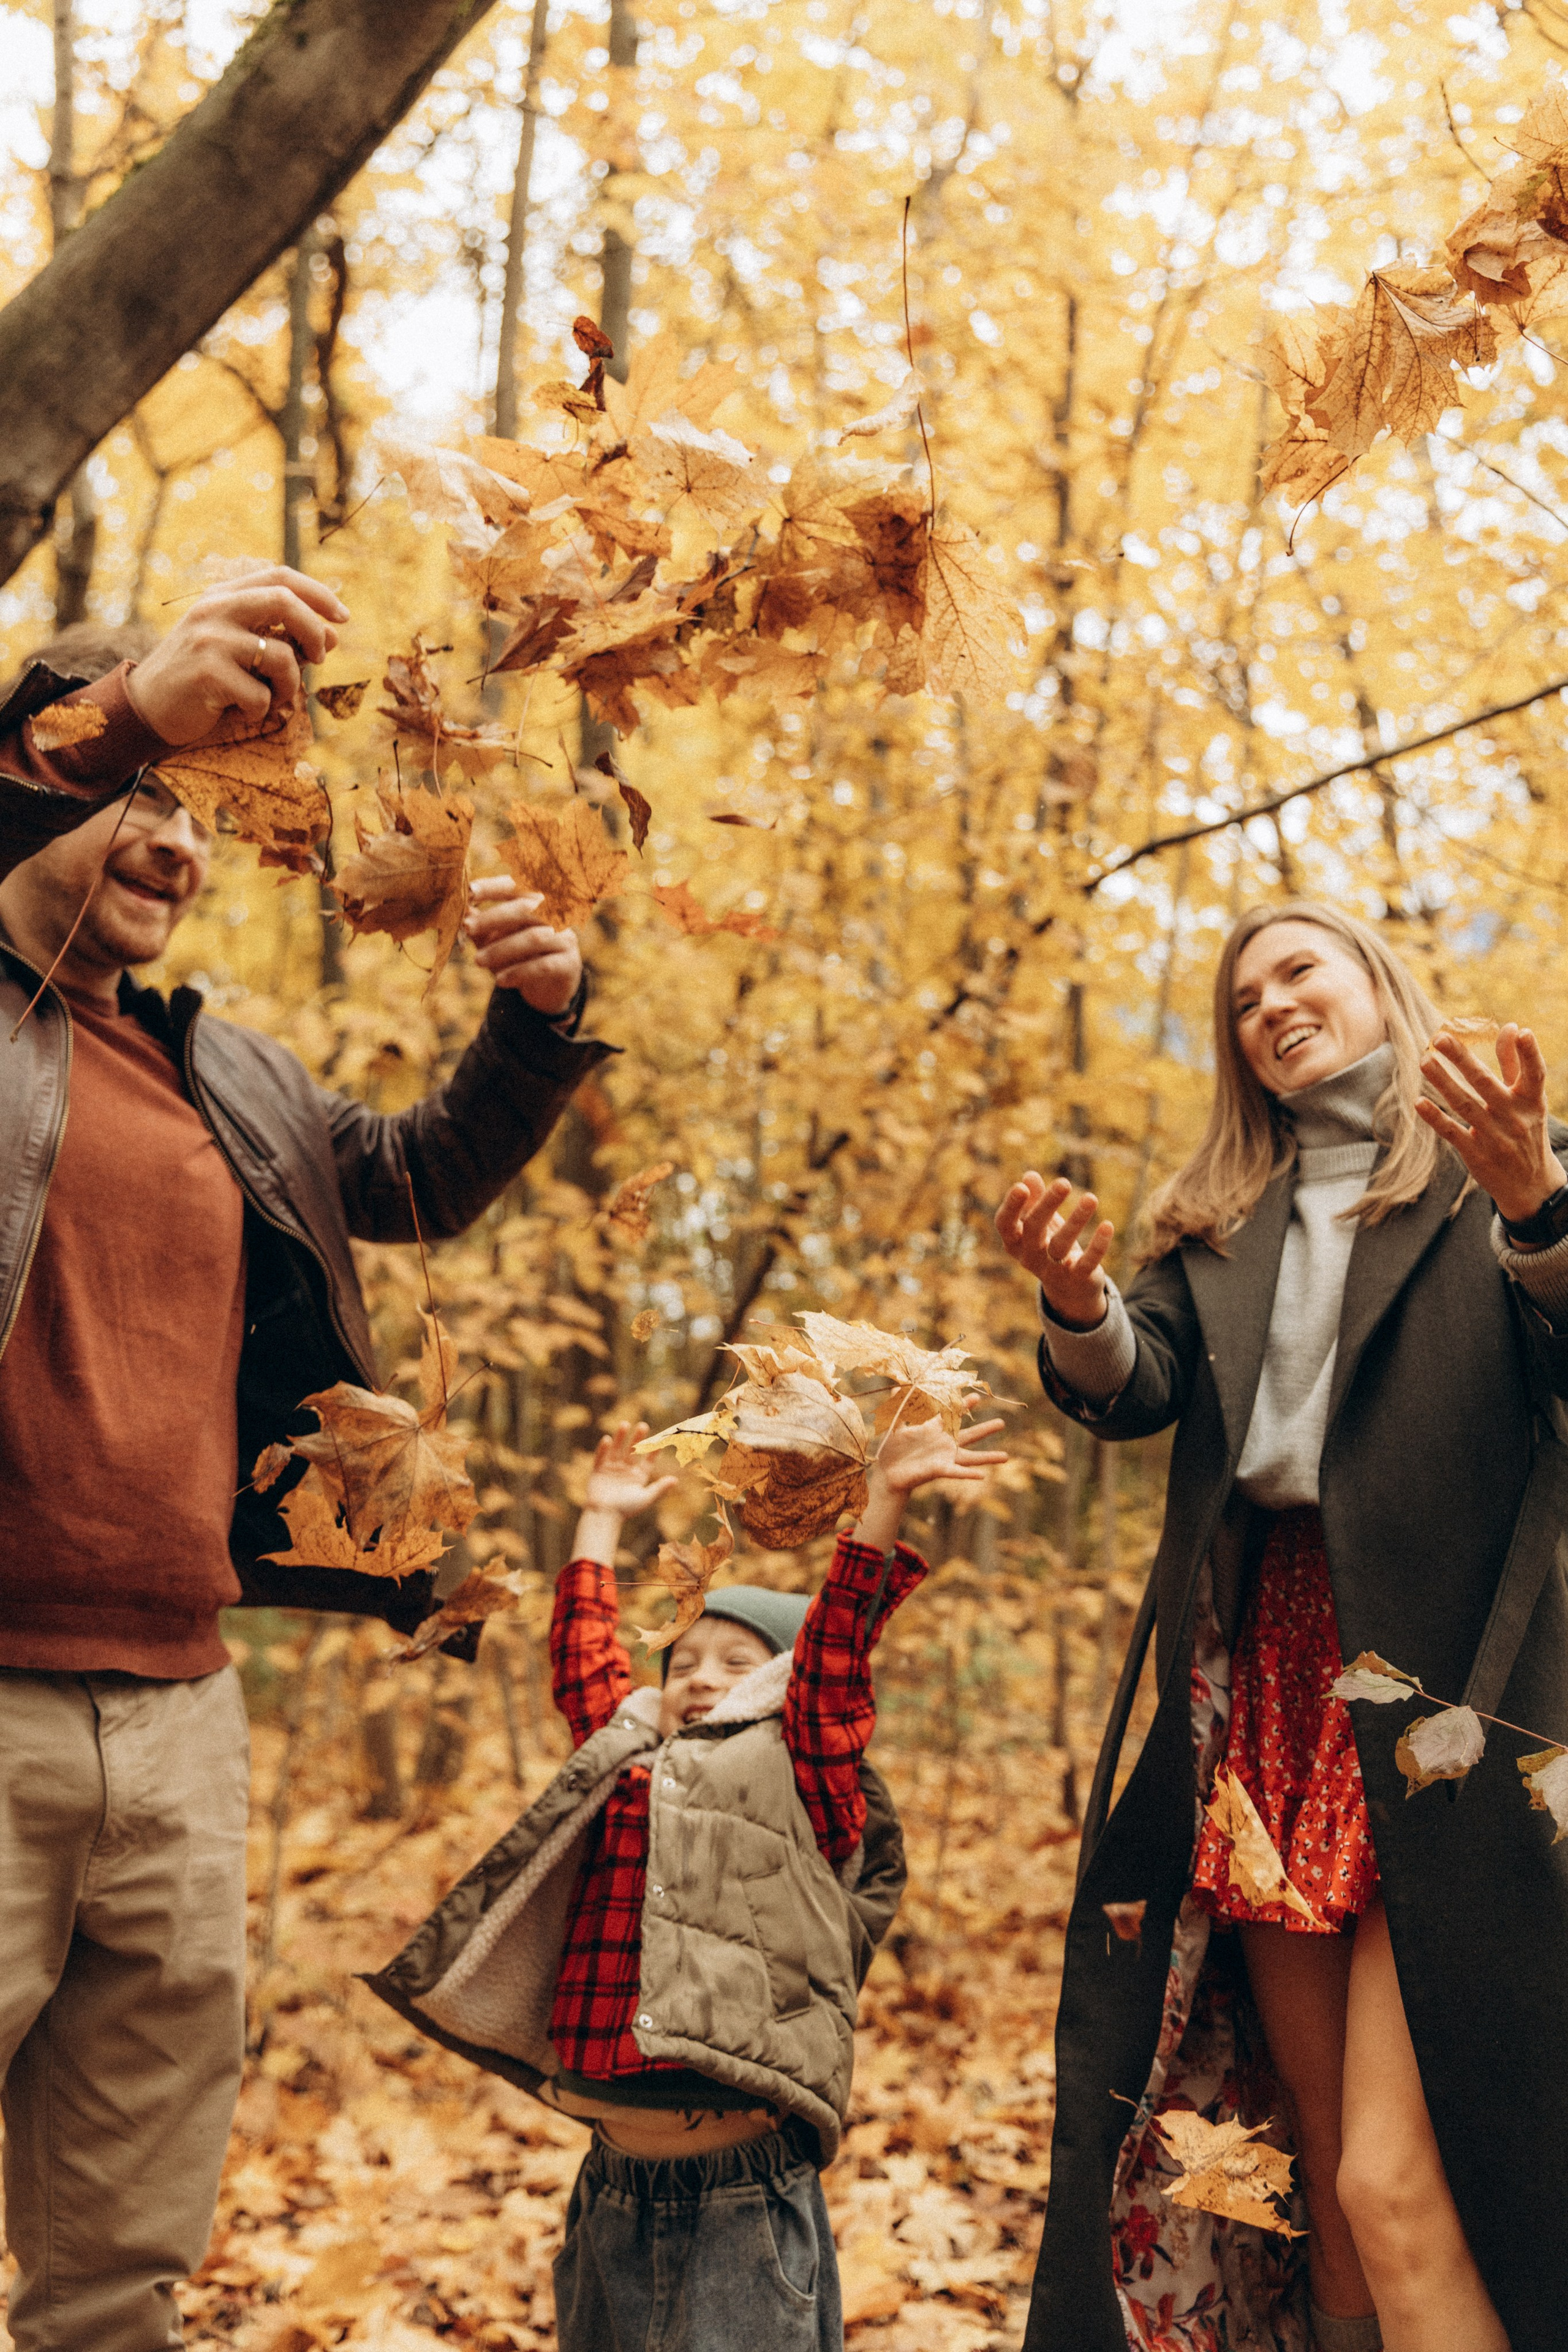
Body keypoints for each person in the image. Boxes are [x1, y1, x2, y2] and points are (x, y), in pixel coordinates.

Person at [0, 570, 613, 2352]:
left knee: (121, 2258)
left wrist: (538, 1017)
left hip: (180, 1723)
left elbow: (417, 1178)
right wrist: (125, 714)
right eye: (149, 796)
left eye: (207, 819)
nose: (179, 845)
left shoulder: (227, 1078)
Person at [996, 901, 1568, 2352]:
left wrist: (1537, 1207)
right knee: (1320, 2170)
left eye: (1297, 969)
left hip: (1453, 1690)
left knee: (1391, 2177)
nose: (1270, 1006)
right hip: (1268, 1690)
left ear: (1375, 981)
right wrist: (1077, 1305)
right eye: (1243, 997)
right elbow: (1136, 1382)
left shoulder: (1489, 1163)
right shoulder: (1223, 1224)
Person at [366, 1406, 1008, 2351]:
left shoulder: (799, 1773)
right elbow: (584, 1661)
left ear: (778, 1685)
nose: (701, 1676)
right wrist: (600, 1520)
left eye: (737, 1664)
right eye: (685, 1660)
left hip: (740, 2190)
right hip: (614, 2182)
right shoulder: (629, 1763)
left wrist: (881, 1505)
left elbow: (833, 1660)